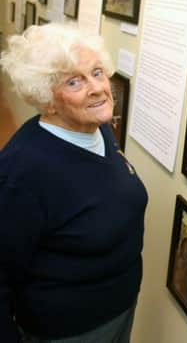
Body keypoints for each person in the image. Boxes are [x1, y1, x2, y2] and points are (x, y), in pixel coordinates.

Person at [0, 24, 148, 342]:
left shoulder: (97, 129)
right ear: (47, 100)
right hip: (68, 329)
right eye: (74, 81)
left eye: (97, 72)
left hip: (119, 308)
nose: (96, 88)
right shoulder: (22, 172)